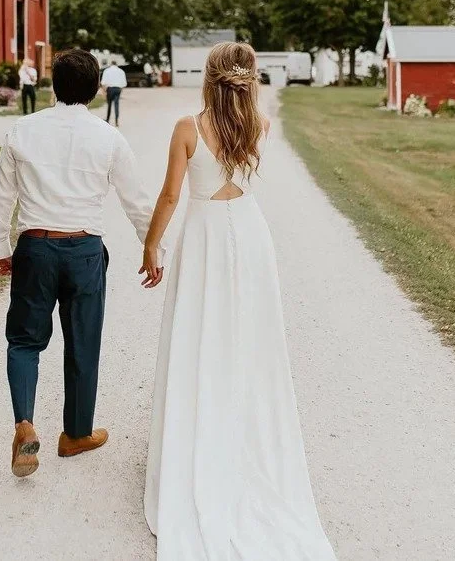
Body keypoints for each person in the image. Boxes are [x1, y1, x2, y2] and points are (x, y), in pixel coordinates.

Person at [142, 41, 336, 560]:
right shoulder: (260, 126)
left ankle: (200, 436)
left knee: (198, 333)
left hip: (204, 234)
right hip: (249, 234)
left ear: (208, 79)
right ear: (249, 79)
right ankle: (241, 431)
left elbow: (169, 197)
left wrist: (150, 243)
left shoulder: (189, 128)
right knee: (249, 336)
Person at [0, 49, 165, 478]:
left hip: (35, 247)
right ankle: (76, 434)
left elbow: (1, 197)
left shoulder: (21, 130)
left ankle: (25, 423)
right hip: (85, 251)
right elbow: (136, 201)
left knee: (25, 342)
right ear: (96, 90)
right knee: (83, 343)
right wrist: (152, 248)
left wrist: (0, 248)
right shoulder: (108, 137)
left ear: (53, 85)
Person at [101, 59, 127, 126]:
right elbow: (124, 83)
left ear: (111, 64)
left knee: (109, 104)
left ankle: (108, 119)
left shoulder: (107, 71)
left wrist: (104, 92)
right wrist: (120, 90)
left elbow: (103, 82)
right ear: (116, 64)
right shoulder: (121, 71)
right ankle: (116, 120)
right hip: (118, 89)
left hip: (110, 89)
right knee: (116, 104)